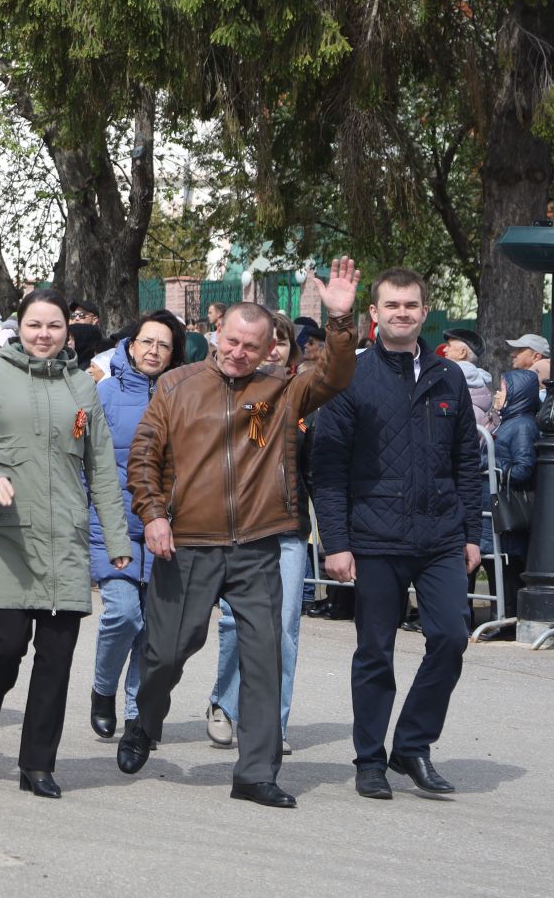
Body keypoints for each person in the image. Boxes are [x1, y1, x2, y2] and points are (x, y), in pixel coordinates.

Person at [119, 261, 361, 810]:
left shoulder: (282, 391)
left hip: (257, 545)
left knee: (263, 656)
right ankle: (145, 721)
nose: (239, 354)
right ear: (216, 332)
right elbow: (143, 459)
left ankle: (255, 772)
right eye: (231, 341)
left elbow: (335, 377)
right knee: (169, 651)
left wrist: (342, 319)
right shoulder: (176, 386)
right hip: (188, 543)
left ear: (269, 347)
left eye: (252, 347)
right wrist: (154, 514)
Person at [308, 268, 486, 801]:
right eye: (392, 306)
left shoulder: (448, 376)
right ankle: (370, 759)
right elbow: (328, 467)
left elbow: (466, 464)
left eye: (411, 305)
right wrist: (336, 543)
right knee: (375, 651)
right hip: (375, 536)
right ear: (375, 314)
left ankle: (412, 744)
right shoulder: (350, 377)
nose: (402, 313)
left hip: (439, 537)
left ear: (424, 312)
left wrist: (471, 533)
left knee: (452, 637)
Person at [0, 288, 127, 799]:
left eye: (54, 326)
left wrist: (115, 539)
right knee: (5, 645)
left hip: (64, 539)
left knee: (57, 656)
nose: (44, 334)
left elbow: (101, 470)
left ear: (67, 332)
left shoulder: (83, 386)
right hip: (6, 536)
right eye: (34, 326)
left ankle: (38, 765)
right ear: (19, 329)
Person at [206, 309, 310, 758]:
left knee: (283, 627)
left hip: (286, 527)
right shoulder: (224, 388)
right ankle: (225, 704)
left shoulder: (303, 396)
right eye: (264, 342)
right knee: (236, 620)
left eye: (280, 343)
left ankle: (272, 722)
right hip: (233, 527)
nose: (270, 351)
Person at [88, 311, 182, 742]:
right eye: (147, 342)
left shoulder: (183, 395)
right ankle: (103, 689)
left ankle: (134, 713)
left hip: (165, 530)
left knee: (152, 628)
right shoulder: (104, 394)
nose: (153, 351)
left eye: (163, 345)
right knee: (123, 614)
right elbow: (84, 462)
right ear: (130, 345)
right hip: (114, 526)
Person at [480, 368, 543, 638]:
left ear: (516, 394)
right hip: (493, 506)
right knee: (496, 568)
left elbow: (522, 469)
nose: (497, 393)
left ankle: (506, 623)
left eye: (503, 389)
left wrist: (489, 461)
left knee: (506, 567)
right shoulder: (508, 421)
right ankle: (500, 618)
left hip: (508, 508)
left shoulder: (523, 426)